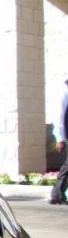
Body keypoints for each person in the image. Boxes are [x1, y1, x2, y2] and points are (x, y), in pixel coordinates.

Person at [49, 72, 68, 205]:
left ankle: (57, 193)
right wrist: (60, 138)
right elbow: (59, 117)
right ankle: (56, 194)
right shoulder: (64, 93)